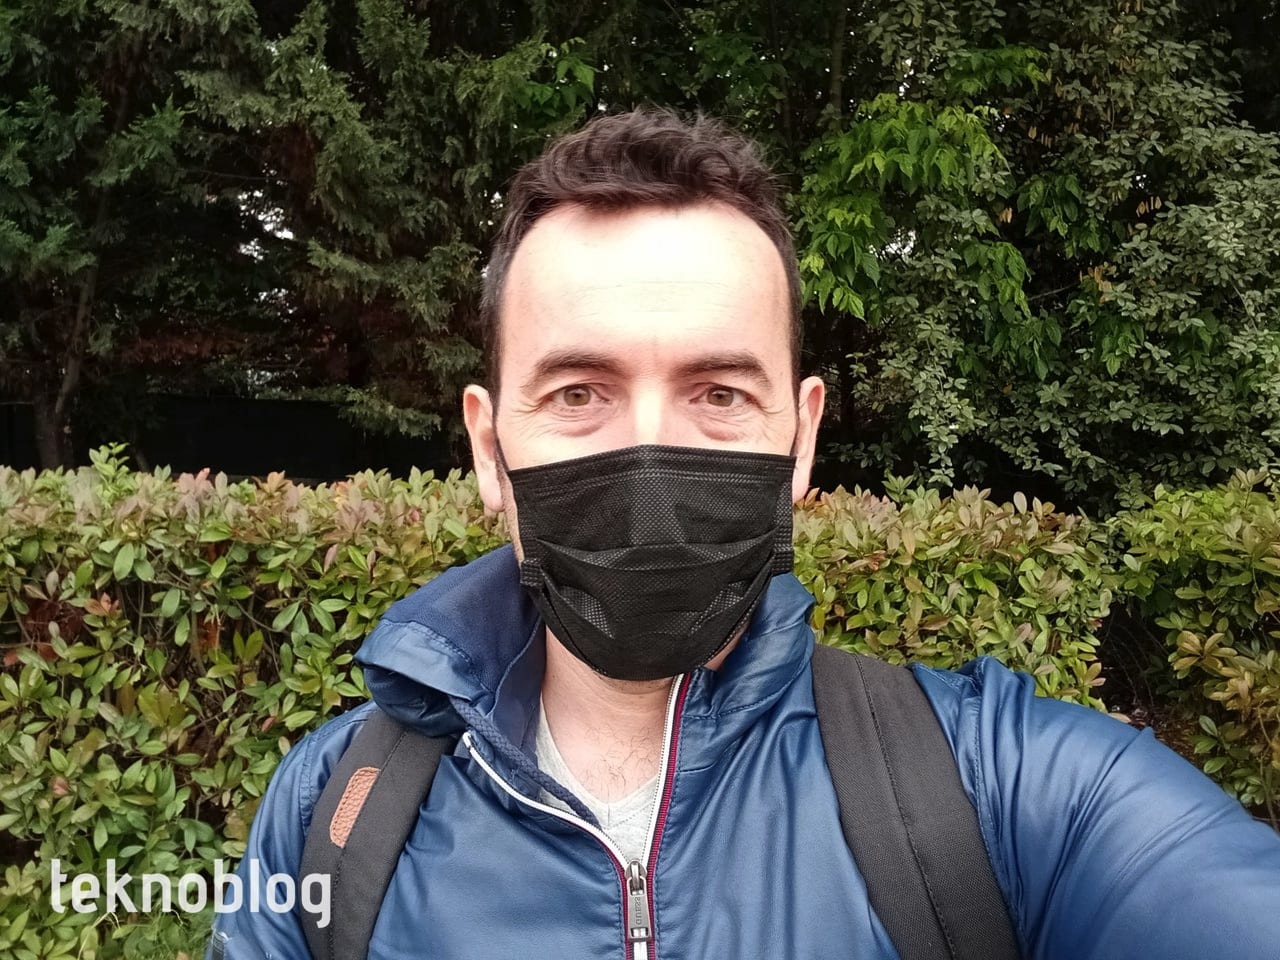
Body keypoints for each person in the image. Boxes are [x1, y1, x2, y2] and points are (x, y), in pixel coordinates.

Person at [208, 108, 1280, 960]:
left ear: (800, 441)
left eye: (718, 393)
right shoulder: (334, 812)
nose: (649, 459)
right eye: (578, 392)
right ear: (490, 448)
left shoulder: (999, 792)